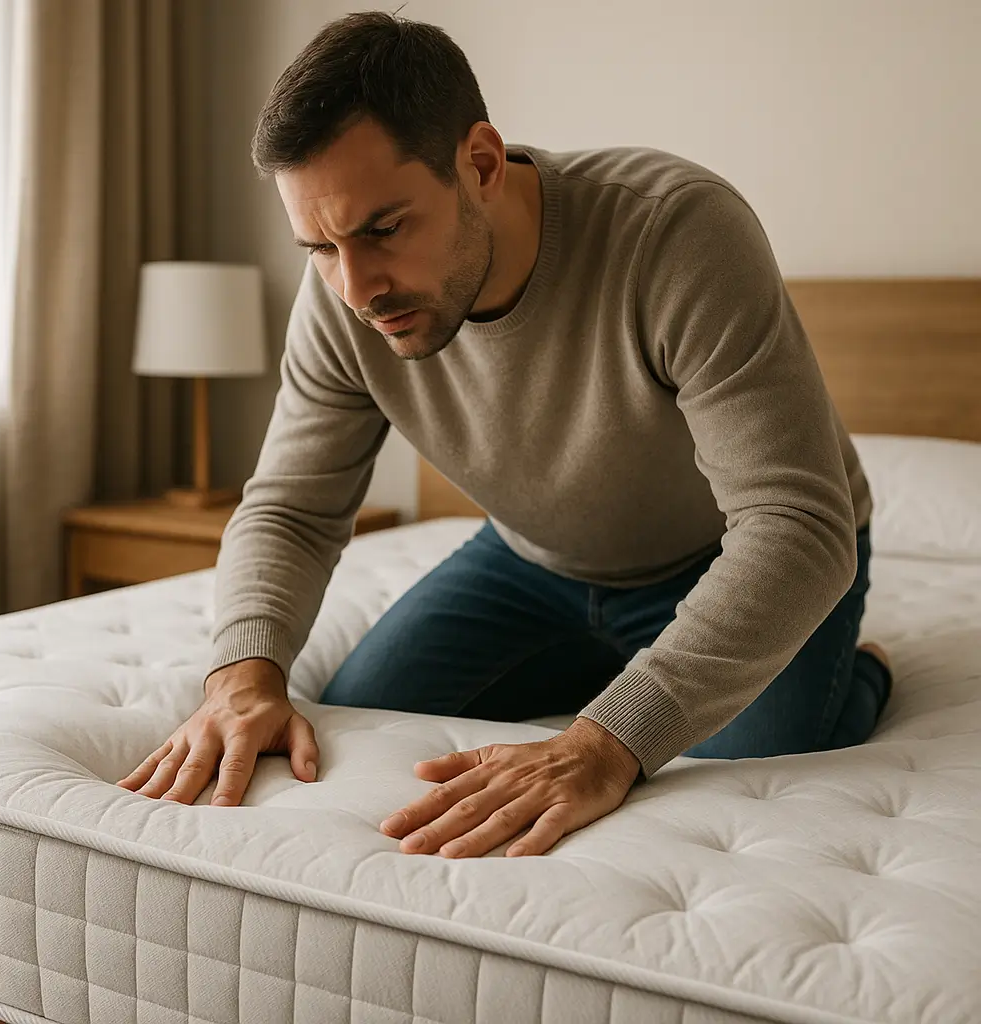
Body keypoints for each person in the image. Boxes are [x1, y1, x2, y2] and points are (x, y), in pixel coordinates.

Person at [118, 11, 893, 860]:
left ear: (480, 164)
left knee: (752, 756)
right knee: (366, 710)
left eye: (383, 229)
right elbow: (291, 509)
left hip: (732, 555)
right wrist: (242, 675)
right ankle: (605, 661)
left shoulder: (676, 233)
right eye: (320, 246)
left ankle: (862, 673)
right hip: (532, 562)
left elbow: (796, 524)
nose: (357, 286)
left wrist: (605, 741)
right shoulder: (344, 292)